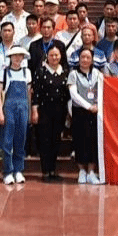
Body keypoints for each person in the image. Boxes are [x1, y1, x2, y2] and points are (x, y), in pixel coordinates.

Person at [0, 46, 33, 185]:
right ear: (10, 57)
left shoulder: (26, 72)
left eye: (20, 55)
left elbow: (29, 93)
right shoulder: (4, 72)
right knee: (7, 141)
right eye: (15, 55)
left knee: (20, 139)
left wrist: (29, 111)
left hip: (23, 107)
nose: (17, 58)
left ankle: (18, 170)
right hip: (9, 107)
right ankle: (7, 171)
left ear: (23, 57)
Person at [33, 43, 70, 182]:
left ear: (61, 56)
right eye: (51, 55)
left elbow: (68, 95)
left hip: (60, 111)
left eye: (56, 55)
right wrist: (34, 110)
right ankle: (45, 171)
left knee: (56, 139)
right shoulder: (41, 71)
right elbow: (36, 93)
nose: (54, 57)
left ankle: (53, 170)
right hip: (44, 111)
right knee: (45, 140)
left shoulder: (65, 72)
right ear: (47, 56)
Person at [68, 48, 103, 184]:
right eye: (82, 57)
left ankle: (91, 172)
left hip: (95, 112)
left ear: (92, 60)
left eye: (88, 57)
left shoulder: (97, 74)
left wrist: (97, 105)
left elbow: (101, 91)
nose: (85, 60)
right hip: (80, 112)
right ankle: (82, 171)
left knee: (93, 141)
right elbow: (74, 95)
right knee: (80, 141)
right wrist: (88, 106)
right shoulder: (73, 74)